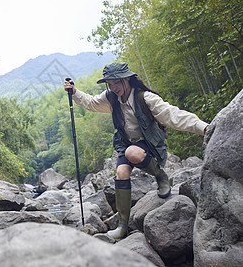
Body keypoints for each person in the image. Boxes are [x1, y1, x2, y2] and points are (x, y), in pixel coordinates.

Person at [64, 62, 209, 240]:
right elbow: (92, 103)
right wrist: (75, 92)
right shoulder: (111, 98)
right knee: (121, 172)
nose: (113, 87)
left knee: (132, 153)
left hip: (149, 143)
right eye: (110, 84)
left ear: (127, 79)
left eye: (116, 83)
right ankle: (122, 226)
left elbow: (173, 114)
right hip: (127, 143)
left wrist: (203, 127)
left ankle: (161, 176)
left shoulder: (145, 97)